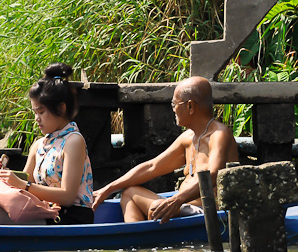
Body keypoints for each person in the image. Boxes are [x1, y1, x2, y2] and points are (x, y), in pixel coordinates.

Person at [0, 63, 95, 225]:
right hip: (44, 208)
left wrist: (23, 184)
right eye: (35, 113)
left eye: (41, 112)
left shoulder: (73, 141)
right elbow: (25, 183)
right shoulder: (39, 144)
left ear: (61, 109)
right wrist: (5, 175)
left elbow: (68, 197)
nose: (37, 118)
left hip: (70, 216)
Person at [92, 76, 238, 223]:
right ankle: (139, 242)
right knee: (129, 193)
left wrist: (176, 200)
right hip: (182, 207)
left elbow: (213, 175)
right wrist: (108, 189)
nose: (173, 109)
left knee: (156, 208)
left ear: (190, 106)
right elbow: (152, 166)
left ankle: (142, 239)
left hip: (207, 213)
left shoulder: (219, 134)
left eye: (174, 103)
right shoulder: (188, 137)